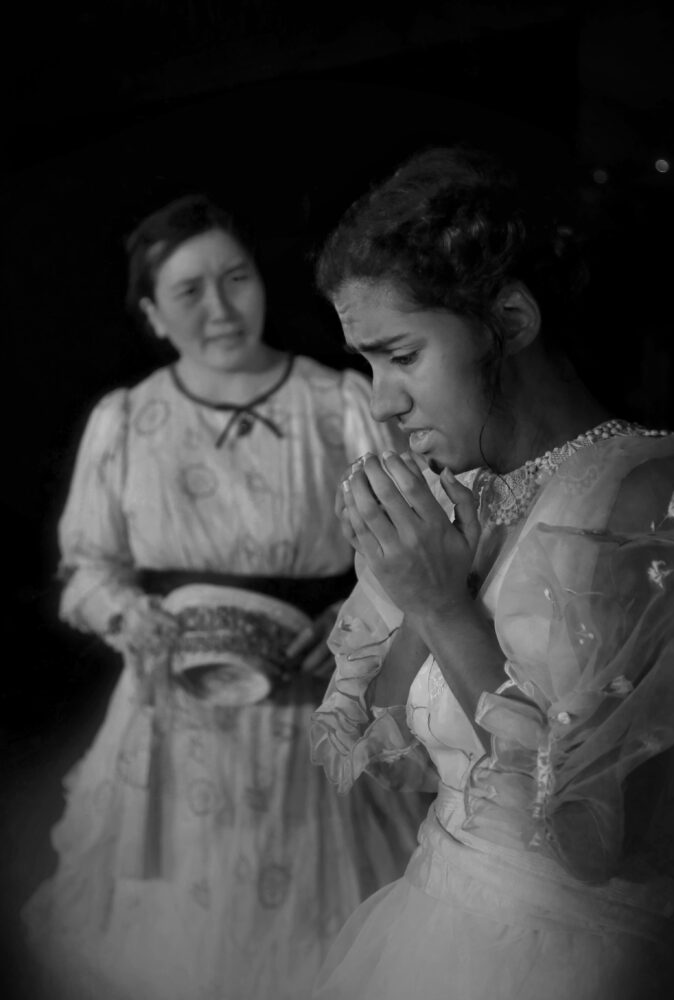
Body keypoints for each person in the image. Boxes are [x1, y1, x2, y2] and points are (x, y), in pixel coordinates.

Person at [309, 146, 674, 999]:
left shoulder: (649, 494)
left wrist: (444, 606)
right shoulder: (464, 498)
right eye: (366, 365)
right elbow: (398, 758)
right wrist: (421, 592)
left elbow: (592, 844)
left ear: (508, 318)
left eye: (400, 356)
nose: (381, 400)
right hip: (432, 922)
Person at [22, 194, 430, 1000]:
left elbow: (404, 545)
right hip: (172, 725)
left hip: (308, 719)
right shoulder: (127, 421)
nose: (220, 307)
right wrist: (128, 614)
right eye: (188, 291)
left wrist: (353, 621)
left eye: (234, 278)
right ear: (152, 313)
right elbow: (88, 568)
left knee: (312, 941)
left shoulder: (339, 405)